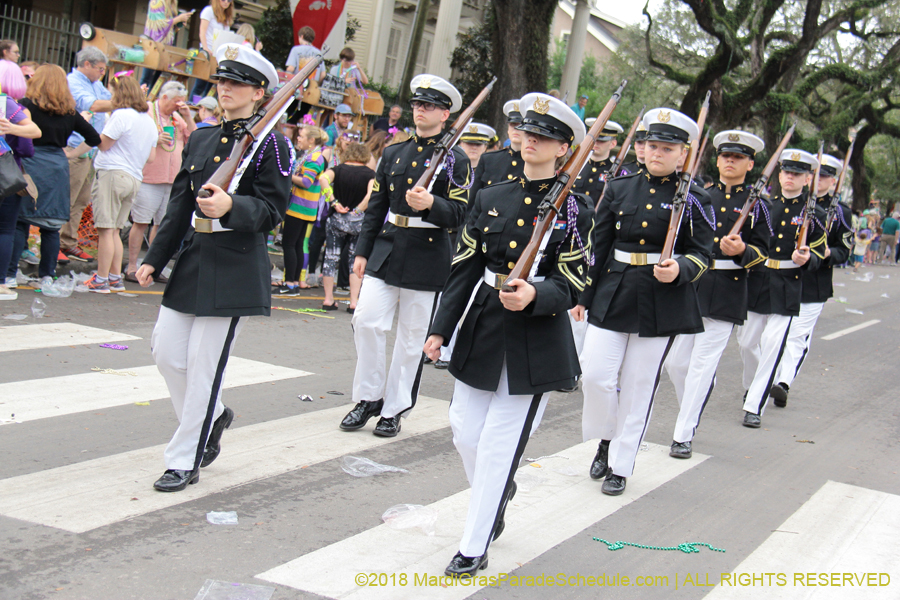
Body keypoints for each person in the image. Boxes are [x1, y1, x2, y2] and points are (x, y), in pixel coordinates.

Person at [424, 92, 592, 576]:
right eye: (528, 132)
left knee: (498, 446)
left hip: (534, 340)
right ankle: (495, 493)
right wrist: (440, 329)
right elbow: (463, 269)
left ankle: (474, 545)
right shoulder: (492, 196)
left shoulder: (574, 209)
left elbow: (575, 281)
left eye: (546, 136)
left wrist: (538, 294)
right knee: (464, 432)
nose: (532, 140)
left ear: (565, 148)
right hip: (483, 324)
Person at [135, 43, 291, 492]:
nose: (226, 89)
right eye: (222, 81)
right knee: (165, 351)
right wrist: (153, 258)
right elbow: (181, 204)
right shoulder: (203, 137)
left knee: (204, 366)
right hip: (195, 259)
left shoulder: (272, 145)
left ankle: (185, 457)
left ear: (260, 92)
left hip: (237, 264)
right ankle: (214, 414)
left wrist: (231, 206)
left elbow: (270, 212)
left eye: (237, 83)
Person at [573, 108, 714, 496]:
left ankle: (621, 462)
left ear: (683, 154)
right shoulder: (619, 187)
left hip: (661, 297)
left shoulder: (695, 199)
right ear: (642, 147)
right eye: (652, 145)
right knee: (597, 375)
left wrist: (681, 268)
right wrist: (584, 295)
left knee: (638, 385)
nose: (657, 153)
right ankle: (606, 436)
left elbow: (704, 254)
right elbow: (598, 247)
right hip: (614, 291)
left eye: (667, 148)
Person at [339, 74, 470, 437]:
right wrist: (363, 250)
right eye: (417, 104)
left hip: (427, 253)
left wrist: (431, 205)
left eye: (428, 106)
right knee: (365, 321)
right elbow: (377, 205)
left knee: (412, 340)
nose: (420, 110)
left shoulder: (455, 160)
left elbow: (461, 212)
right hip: (388, 246)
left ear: (445, 114)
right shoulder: (395, 152)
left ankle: (394, 408)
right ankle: (369, 397)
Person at [663, 130, 769, 459]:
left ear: (749, 164)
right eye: (725, 156)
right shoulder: (701, 196)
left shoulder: (758, 206)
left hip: (728, 290)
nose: (730, 162)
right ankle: (694, 403)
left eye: (737, 157)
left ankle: (683, 432)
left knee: (700, 365)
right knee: (676, 363)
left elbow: (762, 255)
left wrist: (741, 250)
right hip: (695, 286)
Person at [738, 149, 826, 428]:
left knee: (774, 345)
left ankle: (755, 404)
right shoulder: (763, 206)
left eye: (797, 173)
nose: (790, 177)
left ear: (807, 178)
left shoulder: (814, 213)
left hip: (788, 283)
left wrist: (808, 257)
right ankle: (753, 384)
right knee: (746, 342)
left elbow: (821, 251)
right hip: (759, 279)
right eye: (787, 172)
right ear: (779, 174)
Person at [769, 153, 852, 407]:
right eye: (816, 174)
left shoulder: (839, 212)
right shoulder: (793, 203)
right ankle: (763, 380)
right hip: (782, 278)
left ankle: (782, 383)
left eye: (825, 176)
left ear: (833, 180)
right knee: (772, 336)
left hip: (813, 283)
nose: (819, 180)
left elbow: (844, 249)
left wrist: (827, 253)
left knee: (796, 335)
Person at [7, 65, 100, 285]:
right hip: (57, 167)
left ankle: (10, 274)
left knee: (21, 222)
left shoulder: (27, 105)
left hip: (30, 164)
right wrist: (71, 154)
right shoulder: (69, 110)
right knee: (51, 226)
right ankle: (47, 275)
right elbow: (94, 138)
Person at [82, 77, 158, 293]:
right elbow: (151, 157)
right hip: (134, 177)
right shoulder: (148, 120)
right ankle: (115, 277)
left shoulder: (121, 115)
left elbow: (104, 145)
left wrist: (86, 126)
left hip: (112, 173)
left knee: (106, 229)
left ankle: (101, 278)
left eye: (112, 92)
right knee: (115, 229)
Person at [124, 81, 196, 282]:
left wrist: (188, 116)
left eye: (182, 102)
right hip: (150, 177)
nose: (178, 105)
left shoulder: (176, 117)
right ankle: (131, 266)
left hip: (171, 179)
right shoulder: (146, 111)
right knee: (140, 222)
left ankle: (153, 266)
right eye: (176, 101)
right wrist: (155, 139)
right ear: (164, 97)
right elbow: (135, 137)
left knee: (161, 224)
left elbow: (195, 137)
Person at [59, 46, 112, 264]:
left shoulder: (95, 84)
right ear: (87, 64)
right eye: (100, 68)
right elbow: (94, 105)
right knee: (67, 199)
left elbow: (108, 99)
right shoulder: (74, 82)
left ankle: (69, 242)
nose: (102, 73)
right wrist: (128, 100)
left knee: (81, 200)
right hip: (75, 149)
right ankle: (56, 244)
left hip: (90, 151)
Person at [0, 60, 42, 300]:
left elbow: (35, 131)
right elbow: (34, 134)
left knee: (6, 228)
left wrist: (10, 128)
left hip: (6, 174)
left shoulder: (5, 103)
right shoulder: (9, 104)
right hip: (8, 173)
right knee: (5, 229)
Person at [320, 142, 374, 312]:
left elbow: (323, 179)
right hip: (358, 222)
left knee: (331, 258)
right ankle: (353, 302)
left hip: (337, 218)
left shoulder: (338, 169)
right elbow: (371, 193)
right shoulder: (370, 174)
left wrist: (333, 202)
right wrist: (359, 210)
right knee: (354, 260)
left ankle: (328, 299)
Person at [278, 125, 327, 295]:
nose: (298, 139)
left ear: (311, 140)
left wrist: (284, 175)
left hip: (300, 206)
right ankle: (294, 283)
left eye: (302, 136)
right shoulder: (312, 155)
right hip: (306, 207)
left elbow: (306, 182)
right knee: (297, 244)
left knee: (290, 244)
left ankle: (290, 282)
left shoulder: (314, 158)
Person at [468, 99, 525, 200]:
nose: (516, 129)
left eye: (520, 125)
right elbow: (473, 201)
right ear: (508, 129)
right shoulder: (488, 159)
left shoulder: (533, 164)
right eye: (512, 125)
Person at [283, 26, 325, 140]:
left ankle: (288, 145)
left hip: (297, 90)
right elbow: (323, 75)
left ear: (301, 36)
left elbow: (290, 69)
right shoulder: (318, 53)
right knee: (303, 121)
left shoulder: (296, 50)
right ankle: (300, 145)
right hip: (311, 92)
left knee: (290, 122)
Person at [141, 0, 194, 89]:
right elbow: (159, 25)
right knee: (147, 78)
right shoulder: (157, 2)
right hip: (153, 46)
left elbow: (169, 29)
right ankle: (139, 99)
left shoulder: (172, 3)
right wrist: (178, 19)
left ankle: (149, 99)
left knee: (157, 79)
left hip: (165, 48)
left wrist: (178, 24)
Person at [189, 0, 234, 102]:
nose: (226, 2)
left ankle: (203, 109)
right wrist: (205, 48)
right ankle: (192, 107)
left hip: (218, 54)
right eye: (224, 0)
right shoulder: (209, 11)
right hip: (207, 51)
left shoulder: (226, 16)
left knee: (211, 86)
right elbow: (202, 32)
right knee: (200, 84)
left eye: (229, 1)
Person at [573, 119, 623, 204]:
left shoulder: (617, 172)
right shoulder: (575, 166)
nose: (596, 143)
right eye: (595, 138)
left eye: (602, 140)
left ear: (613, 144)